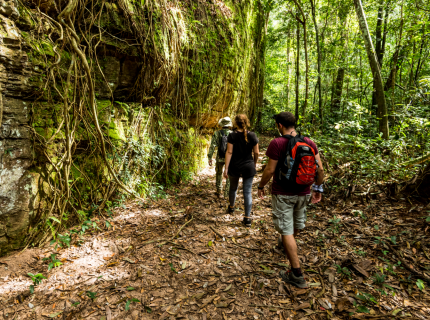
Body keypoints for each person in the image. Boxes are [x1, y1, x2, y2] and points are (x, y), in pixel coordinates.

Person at [257, 112, 324, 288]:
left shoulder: (277, 143)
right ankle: (287, 243)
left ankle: (296, 274)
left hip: (283, 193)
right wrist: (317, 188)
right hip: (304, 192)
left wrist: (261, 186)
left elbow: (270, 170)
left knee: (286, 230)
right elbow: (321, 169)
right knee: (295, 226)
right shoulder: (309, 142)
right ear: (294, 124)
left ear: (279, 125)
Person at [223, 114, 259, 227]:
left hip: (235, 166)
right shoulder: (252, 135)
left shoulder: (232, 135)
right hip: (248, 166)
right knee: (247, 192)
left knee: (233, 188)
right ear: (246, 122)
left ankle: (232, 207)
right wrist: (254, 163)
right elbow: (256, 152)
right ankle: (247, 218)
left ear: (235, 123)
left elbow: (229, 152)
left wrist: (226, 168)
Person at [208, 117, 233, 198]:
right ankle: (227, 193)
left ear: (221, 124)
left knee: (219, 172)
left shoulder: (217, 133)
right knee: (229, 174)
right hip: (230, 159)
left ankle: (219, 190)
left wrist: (210, 157)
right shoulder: (233, 134)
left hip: (220, 157)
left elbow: (212, 146)